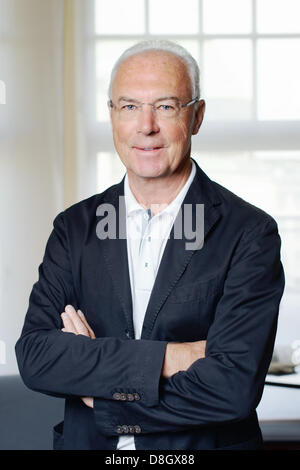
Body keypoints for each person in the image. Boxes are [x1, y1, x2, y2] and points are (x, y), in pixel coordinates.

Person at [15, 40, 285, 451]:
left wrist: (101, 396)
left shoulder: (249, 233)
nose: (146, 126)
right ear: (111, 116)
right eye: (129, 106)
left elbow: (232, 386)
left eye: (165, 106)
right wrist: (171, 358)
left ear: (196, 116)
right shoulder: (75, 228)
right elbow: (37, 356)